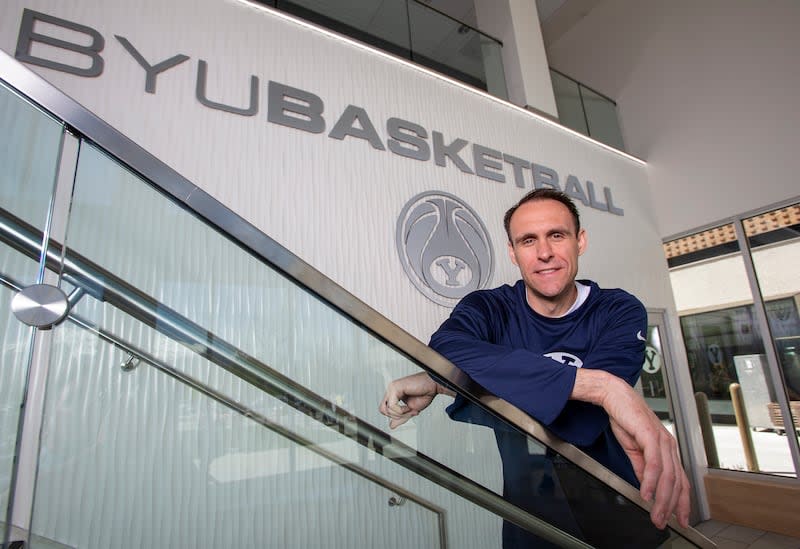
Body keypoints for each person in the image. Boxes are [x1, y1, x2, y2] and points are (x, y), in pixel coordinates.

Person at [380, 188, 690, 546]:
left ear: (580, 241)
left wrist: (450, 383)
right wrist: (602, 387)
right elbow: (446, 348)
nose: (544, 253)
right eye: (528, 240)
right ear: (513, 252)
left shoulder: (617, 311)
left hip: (618, 507)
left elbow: (577, 421)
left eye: (557, 235)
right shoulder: (490, 309)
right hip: (532, 515)